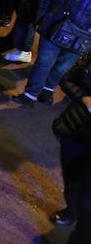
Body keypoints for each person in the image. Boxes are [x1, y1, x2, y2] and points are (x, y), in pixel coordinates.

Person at [11, 0, 91, 106]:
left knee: (62, 67)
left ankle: (48, 88)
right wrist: (42, 17)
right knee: (44, 61)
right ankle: (30, 94)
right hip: (53, 28)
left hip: (79, 38)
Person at [47, 48, 91, 243]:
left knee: (87, 202)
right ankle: (70, 211)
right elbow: (67, 80)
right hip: (76, 131)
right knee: (71, 179)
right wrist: (85, 98)